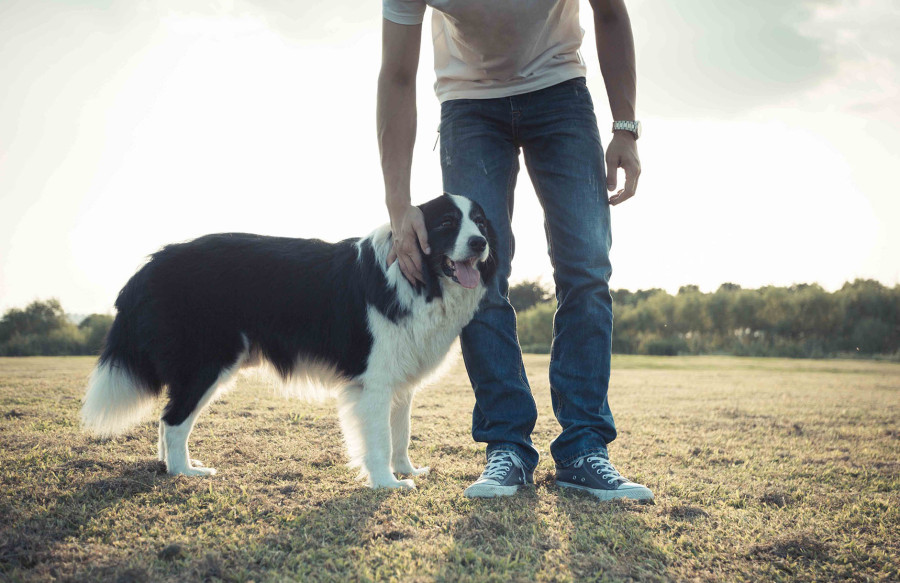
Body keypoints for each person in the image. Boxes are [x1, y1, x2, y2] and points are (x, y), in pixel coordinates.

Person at [377, 0, 652, 501]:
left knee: (586, 269)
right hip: (468, 102)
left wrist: (625, 126)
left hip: (560, 90)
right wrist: (399, 204)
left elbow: (610, 12)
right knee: (473, 276)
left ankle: (585, 450)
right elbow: (396, 74)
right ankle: (507, 446)